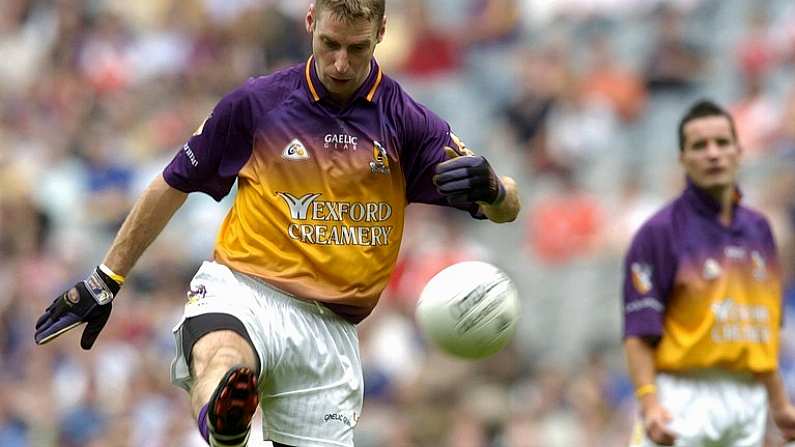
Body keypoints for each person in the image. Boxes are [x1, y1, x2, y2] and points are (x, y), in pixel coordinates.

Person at [32, 1, 521, 446]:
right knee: (221, 358)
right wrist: (105, 280)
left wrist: (495, 189)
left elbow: (508, 207)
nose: (340, 63)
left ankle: (229, 417)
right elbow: (173, 182)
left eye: (357, 48)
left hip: (330, 332)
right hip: (245, 289)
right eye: (329, 44)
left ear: (382, 33)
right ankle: (225, 423)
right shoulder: (257, 104)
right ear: (310, 23)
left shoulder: (406, 122)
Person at [622, 99, 795, 446]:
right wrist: (650, 402)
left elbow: (762, 332)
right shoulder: (659, 233)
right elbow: (639, 333)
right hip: (682, 397)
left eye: (722, 143)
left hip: (748, 401)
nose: (713, 154)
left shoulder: (760, 229)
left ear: (739, 151)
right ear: (682, 159)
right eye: (699, 146)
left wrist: (778, 403)